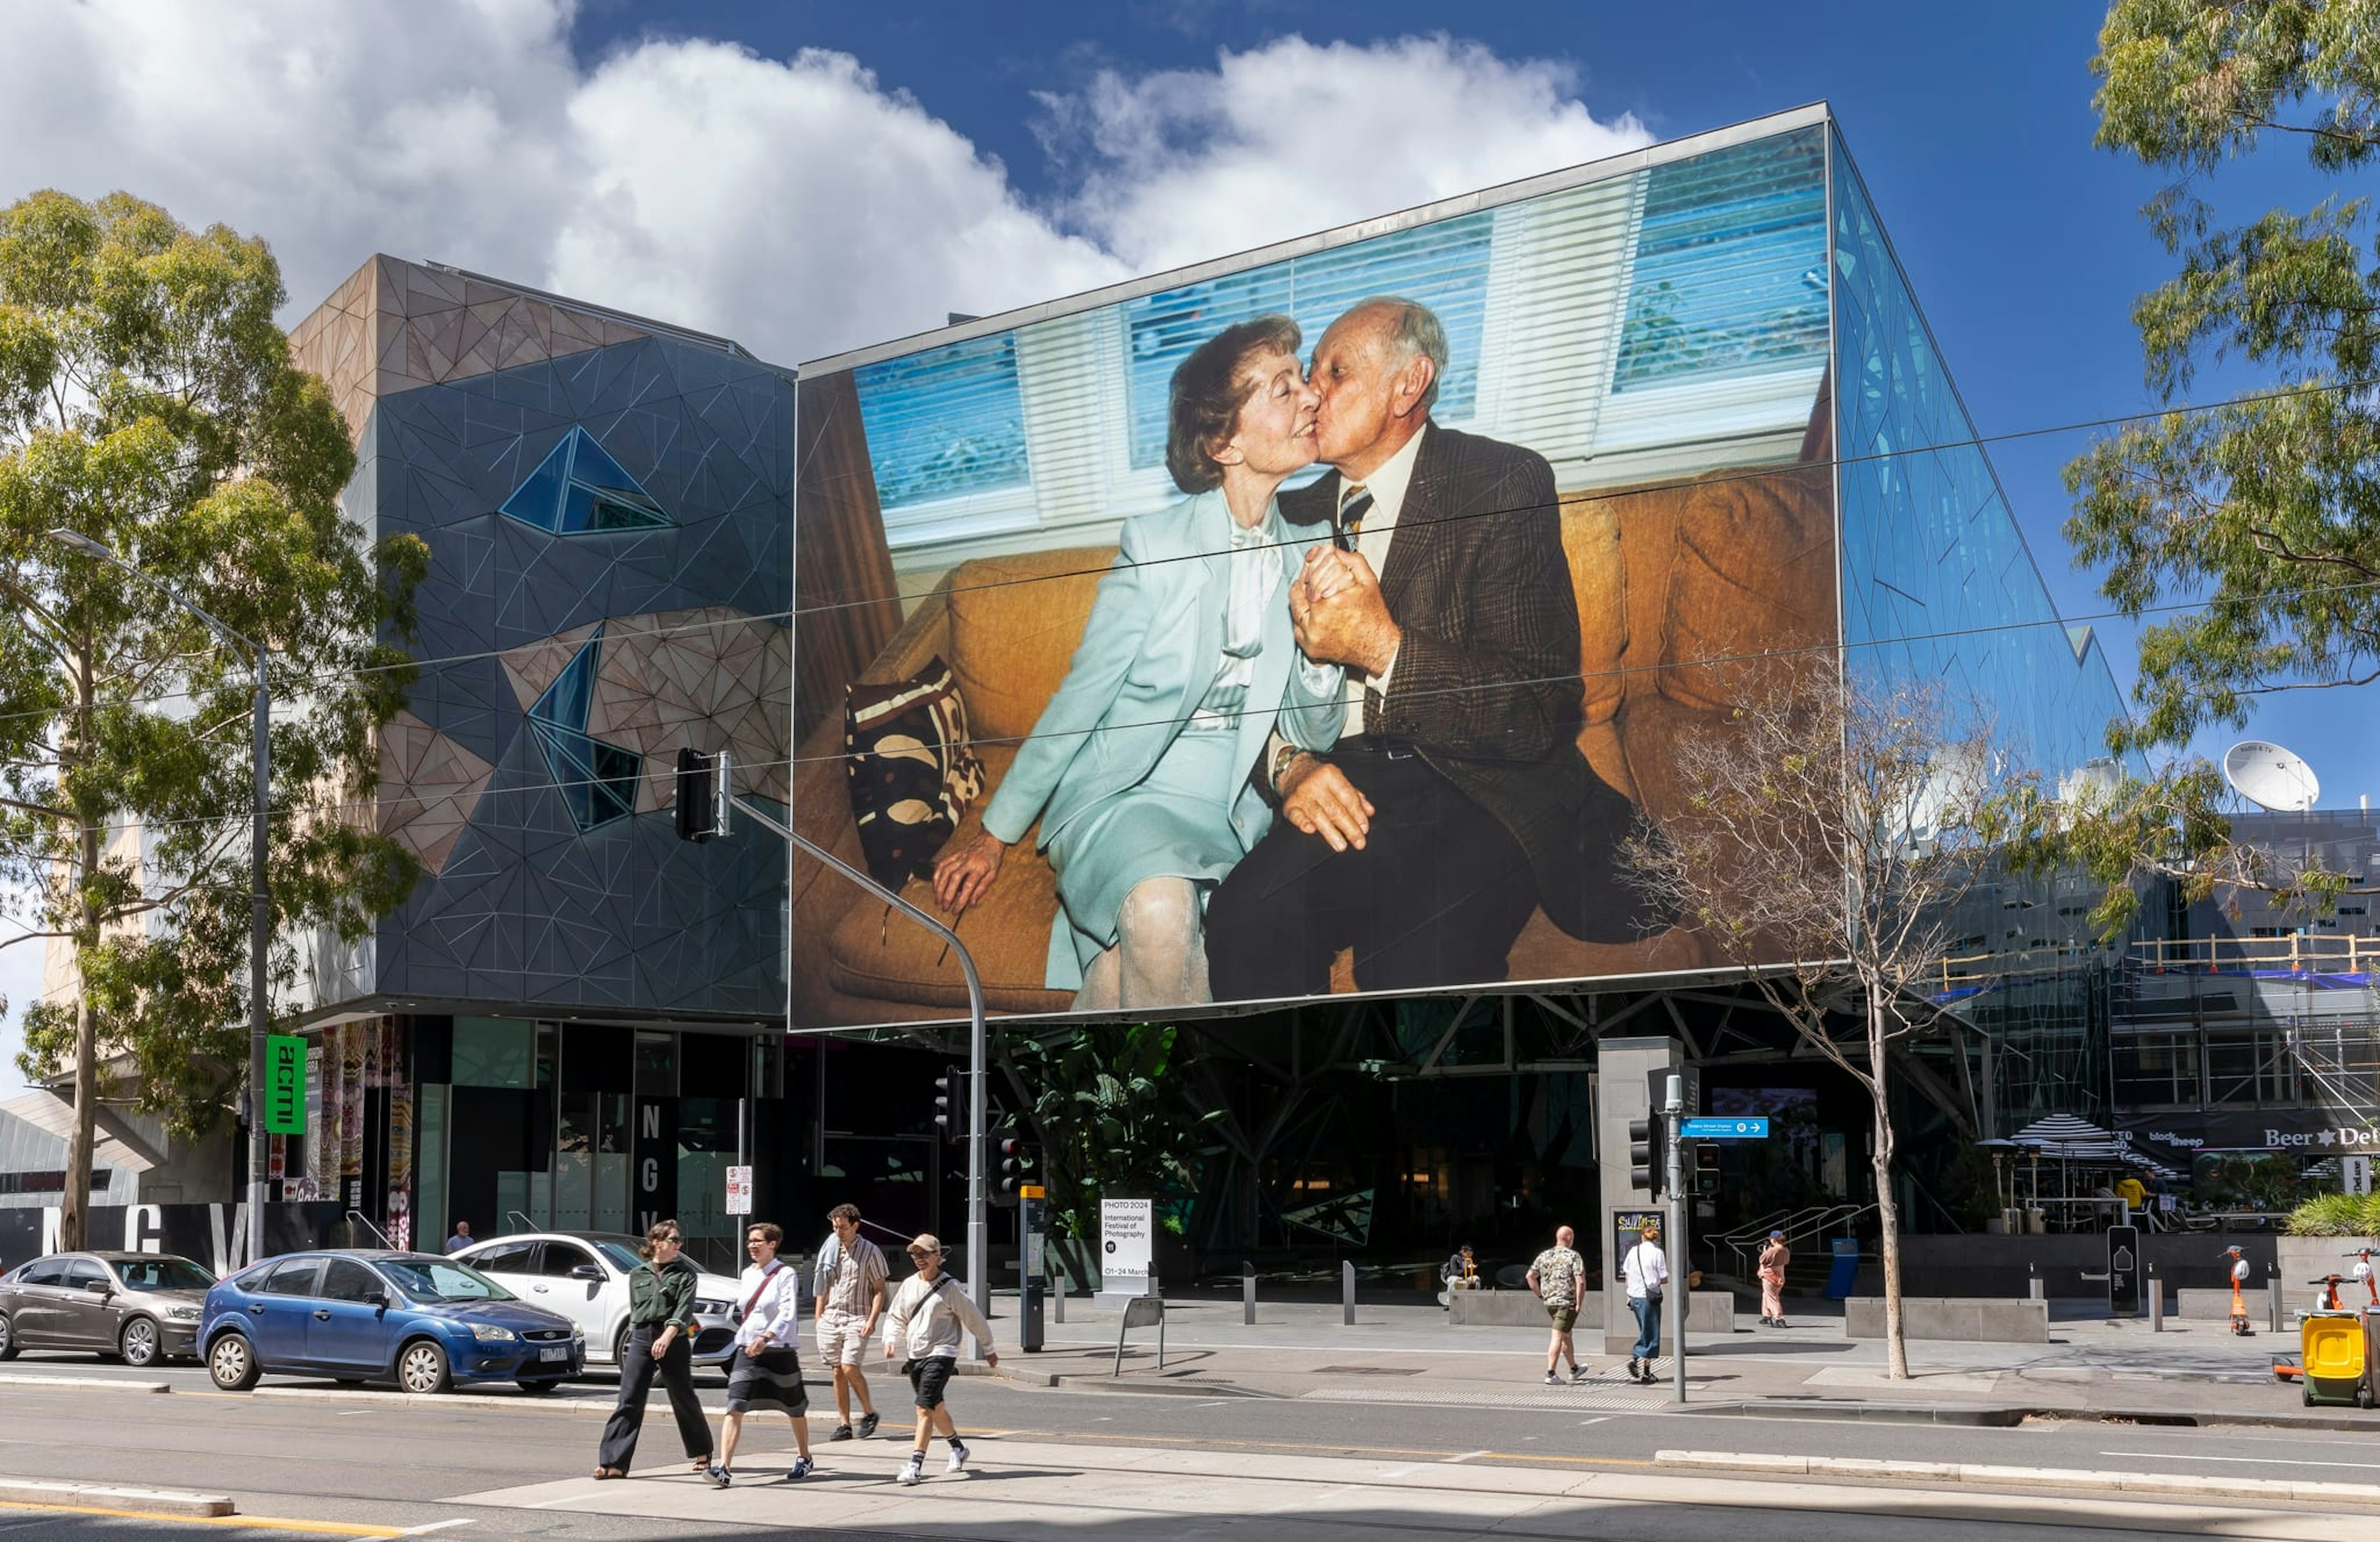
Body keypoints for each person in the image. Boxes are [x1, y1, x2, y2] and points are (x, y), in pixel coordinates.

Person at [1205, 296, 1658, 998]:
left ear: (1407, 385)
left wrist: (1384, 648)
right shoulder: (1287, 513)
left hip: (1477, 784)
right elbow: (1233, 694)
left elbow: (1540, 706)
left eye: (1335, 371)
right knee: (1243, 920)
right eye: (1307, 373)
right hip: (1343, 784)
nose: (1310, 392)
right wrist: (1290, 767)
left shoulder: (1503, 483)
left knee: (1416, 970)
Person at [932, 315, 1344, 1010]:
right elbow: (1079, 701)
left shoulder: (1314, 547)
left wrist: (1322, 645)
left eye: (1302, 378)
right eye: (1283, 388)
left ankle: (1101, 1109)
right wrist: (994, 836)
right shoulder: (1154, 548)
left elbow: (1315, 733)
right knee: (1160, 913)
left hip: (1236, 813)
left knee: (1133, 970)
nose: (1310, 397)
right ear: (1224, 442)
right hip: (1127, 796)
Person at [593, 1220, 715, 1479]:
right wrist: (640, 1338)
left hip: (674, 1338)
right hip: (642, 1336)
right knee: (629, 1398)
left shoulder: (685, 1275)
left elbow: (684, 1310)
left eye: (679, 1240)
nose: (679, 1245)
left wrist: (667, 1337)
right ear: (657, 1243)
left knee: (683, 1397)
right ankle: (613, 1462)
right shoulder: (638, 1274)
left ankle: (702, 1451)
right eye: (674, 1240)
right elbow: (637, 1312)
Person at [881, 1233, 997, 1486]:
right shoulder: (910, 1285)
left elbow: (973, 1318)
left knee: (923, 1408)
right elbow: (896, 1316)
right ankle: (958, 1448)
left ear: (938, 1256)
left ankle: (915, 1465)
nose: (918, 1259)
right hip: (916, 1354)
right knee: (936, 1408)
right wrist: (890, 1339)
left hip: (943, 1352)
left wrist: (988, 1347)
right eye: (914, 1254)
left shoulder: (951, 1287)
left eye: (924, 1254)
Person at [707, 1222, 812, 1487]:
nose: (752, 1245)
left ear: (772, 1244)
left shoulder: (785, 1274)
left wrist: (766, 1337)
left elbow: (788, 1313)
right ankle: (724, 1468)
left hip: (778, 1349)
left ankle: (805, 1456)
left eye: (758, 1241)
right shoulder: (747, 1274)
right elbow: (747, 1310)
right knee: (735, 1405)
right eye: (750, 1241)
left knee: (794, 1407)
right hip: (748, 1349)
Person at [814, 1202, 889, 1440]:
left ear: (856, 1226)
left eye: (844, 1227)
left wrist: (872, 1319)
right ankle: (844, 1424)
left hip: (857, 1317)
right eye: (836, 1227)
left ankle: (869, 1413)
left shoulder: (871, 1251)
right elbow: (824, 1283)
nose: (839, 1232)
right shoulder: (831, 1249)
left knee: (849, 1366)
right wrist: (819, 1314)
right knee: (837, 1371)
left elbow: (879, 1290)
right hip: (832, 1316)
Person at [1525, 1227, 1588, 1385]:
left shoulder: (1544, 1255)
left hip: (1550, 1303)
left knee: (1566, 1334)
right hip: (1566, 1303)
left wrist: (1541, 1295)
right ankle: (1551, 1373)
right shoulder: (1573, 1256)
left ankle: (1574, 1368)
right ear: (1568, 1238)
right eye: (1572, 1237)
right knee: (1558, 1336)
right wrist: (1579, 1302)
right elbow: (1580, 1281)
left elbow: (1530, 1276)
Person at [1621, 1218, 1669, 1385]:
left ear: (1642, 1236)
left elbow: (1627, 1273)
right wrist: (1653, 1281)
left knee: (1646, 1330)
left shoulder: (1633, 1252)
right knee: (1652, 1333)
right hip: (1650, 1298)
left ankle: (1647, 1372)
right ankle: (1636, 1357)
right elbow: (1664, 1278)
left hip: (1635, 1296)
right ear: (1655, 1238)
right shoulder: (1658, 1253)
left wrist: (1629, 1294)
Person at [1757, 1230, 1791, 1328]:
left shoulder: (1773, 1250)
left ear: (1774, 1240)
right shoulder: (1786, 1250)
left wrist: (1765, 1252)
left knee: (1772, 1297)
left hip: (1770, 1275)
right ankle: (1766, 1316)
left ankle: (1779, 1318)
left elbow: (1763, 1260)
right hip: (1781, 1274)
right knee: (1767, 1295)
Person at [2225, 1244, 2254, 1336]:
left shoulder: (2239, 1263)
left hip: (2237, 1289)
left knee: (2237, 1295)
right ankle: (2239, 1317)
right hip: (2236, 1288)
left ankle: (2239, 1317)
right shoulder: (2237, 1264)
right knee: (2236, 1294)